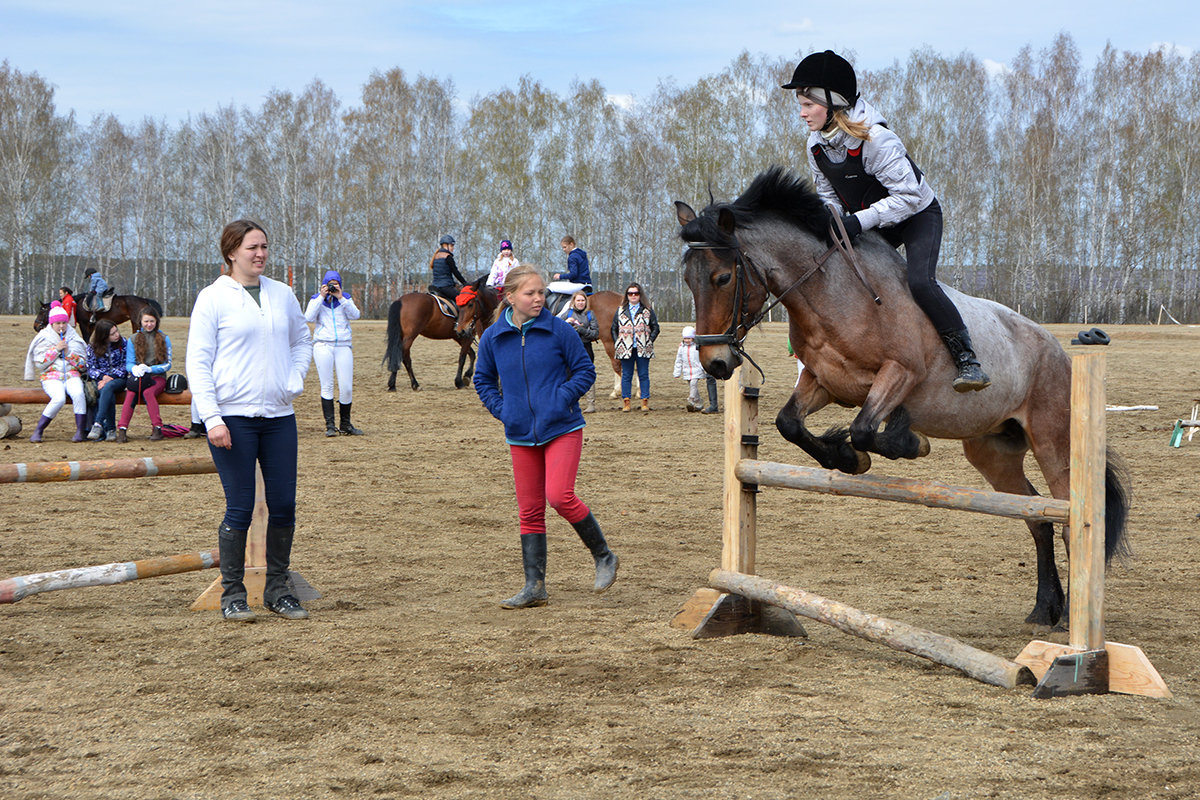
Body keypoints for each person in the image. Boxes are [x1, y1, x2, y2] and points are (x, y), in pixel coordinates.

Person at [783, 49, 989, 392]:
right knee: (835, 270)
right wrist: (831, 222)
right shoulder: (815, 145)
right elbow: (829, 198)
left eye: (808, 105)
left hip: (917, 216)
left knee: (920, 282)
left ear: (834, 104)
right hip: (874, 222)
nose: (802, 113)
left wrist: (857, 222)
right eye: (800, 105)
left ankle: (968, 358)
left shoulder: (877, 140)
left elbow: (908, 198)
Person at [187, 219, 313, 623]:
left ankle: (279, 588)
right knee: (240, 506)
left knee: (284, 505)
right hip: (232, 420)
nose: (259, 254)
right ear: (231, 252)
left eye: (264, 247)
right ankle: (233, 593)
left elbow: (301, 341)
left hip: (278, 417)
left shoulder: (283, 294)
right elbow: (199, 362)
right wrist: (212, 417)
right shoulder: (213, 298)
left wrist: (293, 379)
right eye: (251, 248)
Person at [473, 264, 618, 609]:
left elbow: (586, 370)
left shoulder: (559, 331)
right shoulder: (494, 337)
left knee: (559, 496)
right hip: (520, 432)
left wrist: (561, 399)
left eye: (542, 293)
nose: (539, 298)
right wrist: (503, 410)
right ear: (510, 298)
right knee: (530, 510)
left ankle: (604, 556)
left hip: (562, 427)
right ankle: (534, 585)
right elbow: (482, 380)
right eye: (531, 293)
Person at [306, 269, 363, 437]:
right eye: (329, 284)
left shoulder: (345, 299)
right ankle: (330, 425)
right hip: (323, 345)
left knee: (346, 387)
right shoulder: (317, 299)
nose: (332, 287)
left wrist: (341, 298)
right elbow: (308, 317)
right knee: (327, 385)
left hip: (343, 345)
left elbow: (356, 315)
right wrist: (322, 297)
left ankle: (345, 424)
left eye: (335, 284)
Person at [24, 302, 88, 442]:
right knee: (59, 398)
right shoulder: (43, 337)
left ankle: (80, 431)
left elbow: (83, 365)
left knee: (78, 394)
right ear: (52, 323)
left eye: (64, 323)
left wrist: (69, 353)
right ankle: (39, 429)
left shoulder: (75, 338)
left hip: (72, 374)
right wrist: (56, 350)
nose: (61, 326)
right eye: (58, 323)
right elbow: (41, 364)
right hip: (51, 376)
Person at [114, 306, 172, 442]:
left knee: (148, 393)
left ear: (156, 321)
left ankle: (157, 427)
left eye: (152, 321)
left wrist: (151, 369)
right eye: (146, 321)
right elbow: (129, 362)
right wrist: (134, 369)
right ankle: (122, 429)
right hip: (139, 377)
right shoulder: (133, 339)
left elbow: (168, 364)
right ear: (140, 321)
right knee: (131, 393)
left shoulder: (164, 338)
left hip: (157, 377)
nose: (149, 324)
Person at [611, 282, 659, 413]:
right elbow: (614, 328)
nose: (633, 296)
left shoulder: (647, 310)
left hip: (642, 348)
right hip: (626, 349)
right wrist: (618, 342)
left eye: (636, 293)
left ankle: (644, 401)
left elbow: (655, 327)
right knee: (626, 375)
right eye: (630, 293)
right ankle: (626, 402)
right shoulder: (620, 310)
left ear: (640, 295)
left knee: (643, 375)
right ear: (627, 295)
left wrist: (649, 340)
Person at [84, 319, 128, 441]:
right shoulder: (92, 347)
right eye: (112, 334)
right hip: (100, 381)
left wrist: (111, 377)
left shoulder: (124, 343)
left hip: (119, 379)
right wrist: (102, 377)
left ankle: (98, 423)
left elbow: (126, 365)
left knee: (108, 387)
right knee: (108, 392)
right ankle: (110, 429)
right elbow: (91, 368)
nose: (117, 335)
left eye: (116, 331)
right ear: (103, 336)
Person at [563, 290, 599, 413]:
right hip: (570, 349)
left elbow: (595, 333)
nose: (580, 303)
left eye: (582, 300)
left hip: (586, 347)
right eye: (578, 300)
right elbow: (557, 327)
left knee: (587, 373)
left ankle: (591, 404)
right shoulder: (568, 313)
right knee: (569, 375)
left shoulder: (590, 314)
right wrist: (566, 324)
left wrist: (581, 329)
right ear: (574, 301)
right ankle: (570, 402)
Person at [673, 326, 710, 412]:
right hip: (687, 370)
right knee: (692, 386)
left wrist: (703, 369)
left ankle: (691, 399)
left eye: (689, 338)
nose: (687, 340)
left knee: (693, 384)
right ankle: (699, 402)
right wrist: (677, 372)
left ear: (693, 338)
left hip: (696, 369)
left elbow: (702, 358)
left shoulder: (697, 346)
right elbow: (679, 360)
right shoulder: (681, 347)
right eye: (685, 338)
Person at [429, 234, 468, 303]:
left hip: (435, 286)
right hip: (445, 287)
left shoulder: (436, 256)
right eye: (452, 246)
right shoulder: (448, 257)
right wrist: (464, 283)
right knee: (463, 301)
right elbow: (455, 272)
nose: (453, 248)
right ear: (446, 245)